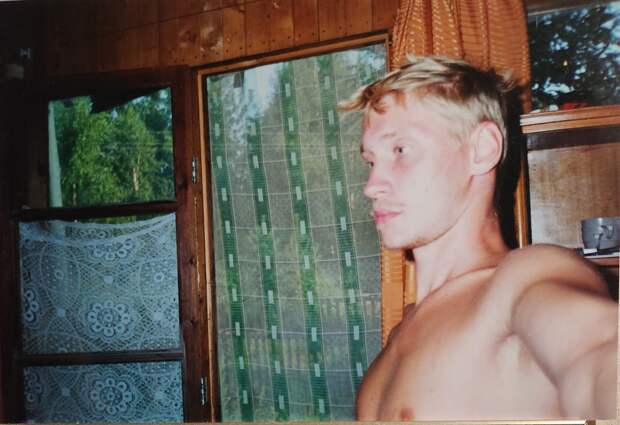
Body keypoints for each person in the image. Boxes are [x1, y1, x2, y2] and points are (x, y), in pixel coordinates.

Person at [340, 55, 618, 420]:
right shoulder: (401, 331)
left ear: (482, 149)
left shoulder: (520, 280)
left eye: (401, 150)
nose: (372, 186)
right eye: (372, 161)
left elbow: (600, 354)